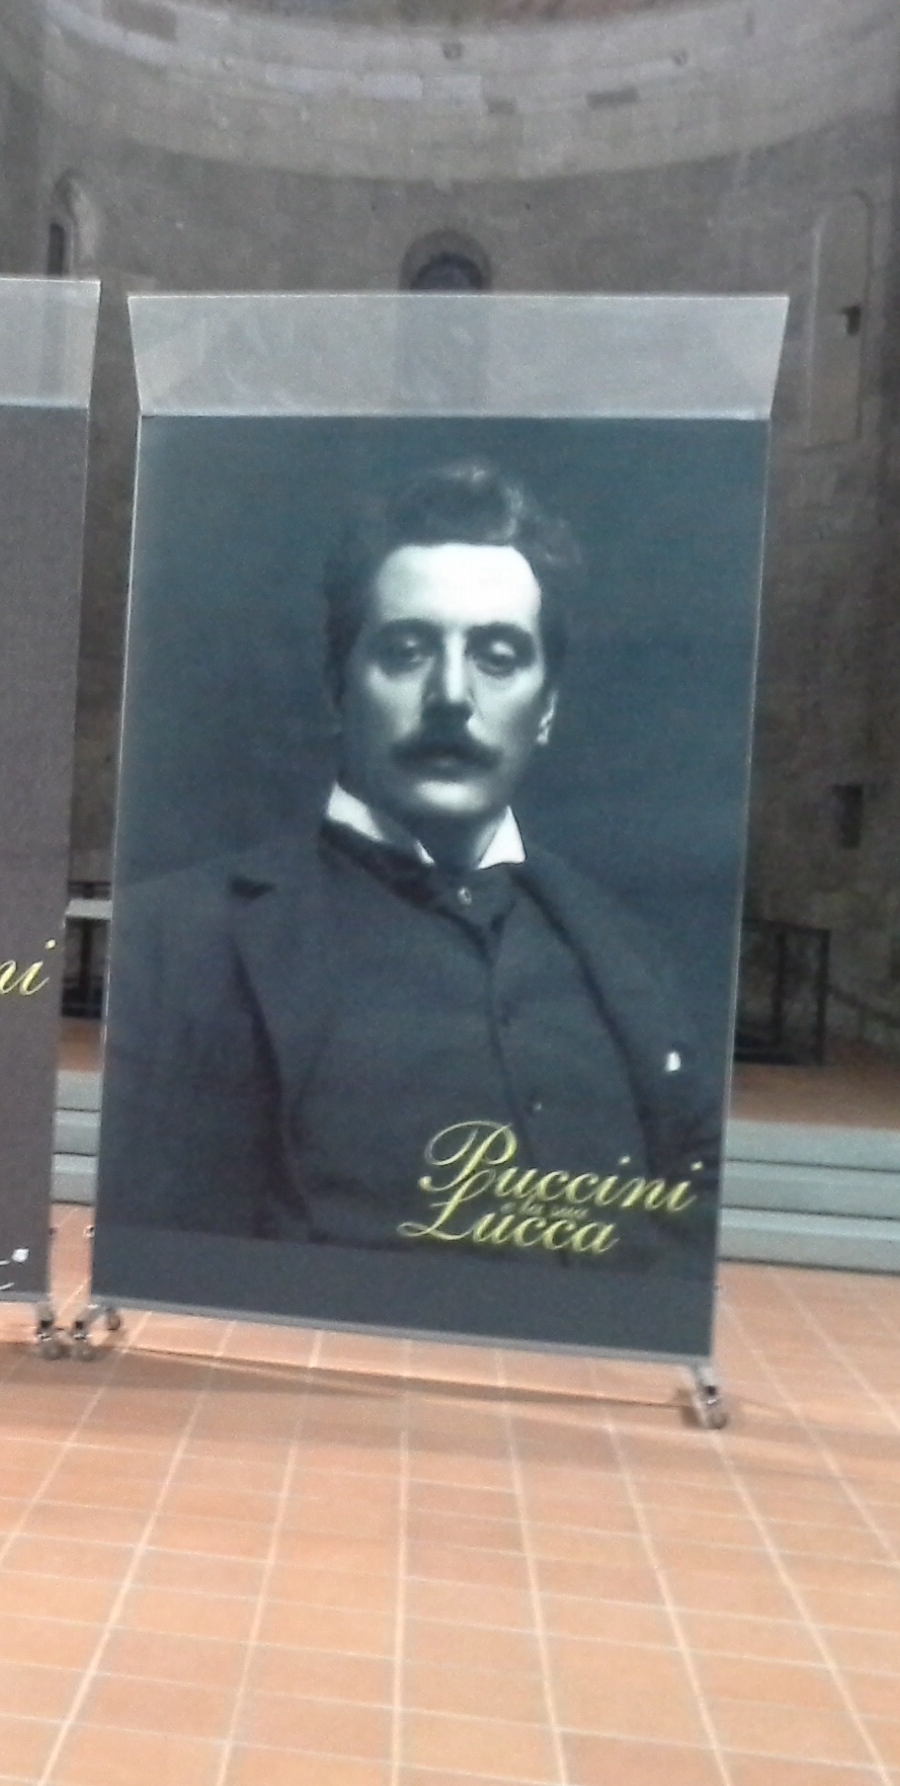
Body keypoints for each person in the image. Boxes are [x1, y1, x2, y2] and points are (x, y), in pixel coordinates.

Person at [100, 458, 722, 1260]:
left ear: (547, 707)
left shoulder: (627, 953)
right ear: (339, 684)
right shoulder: (175, 938)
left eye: (498, 655)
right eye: (406, 650)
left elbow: (687, 1219)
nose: (452, 696)